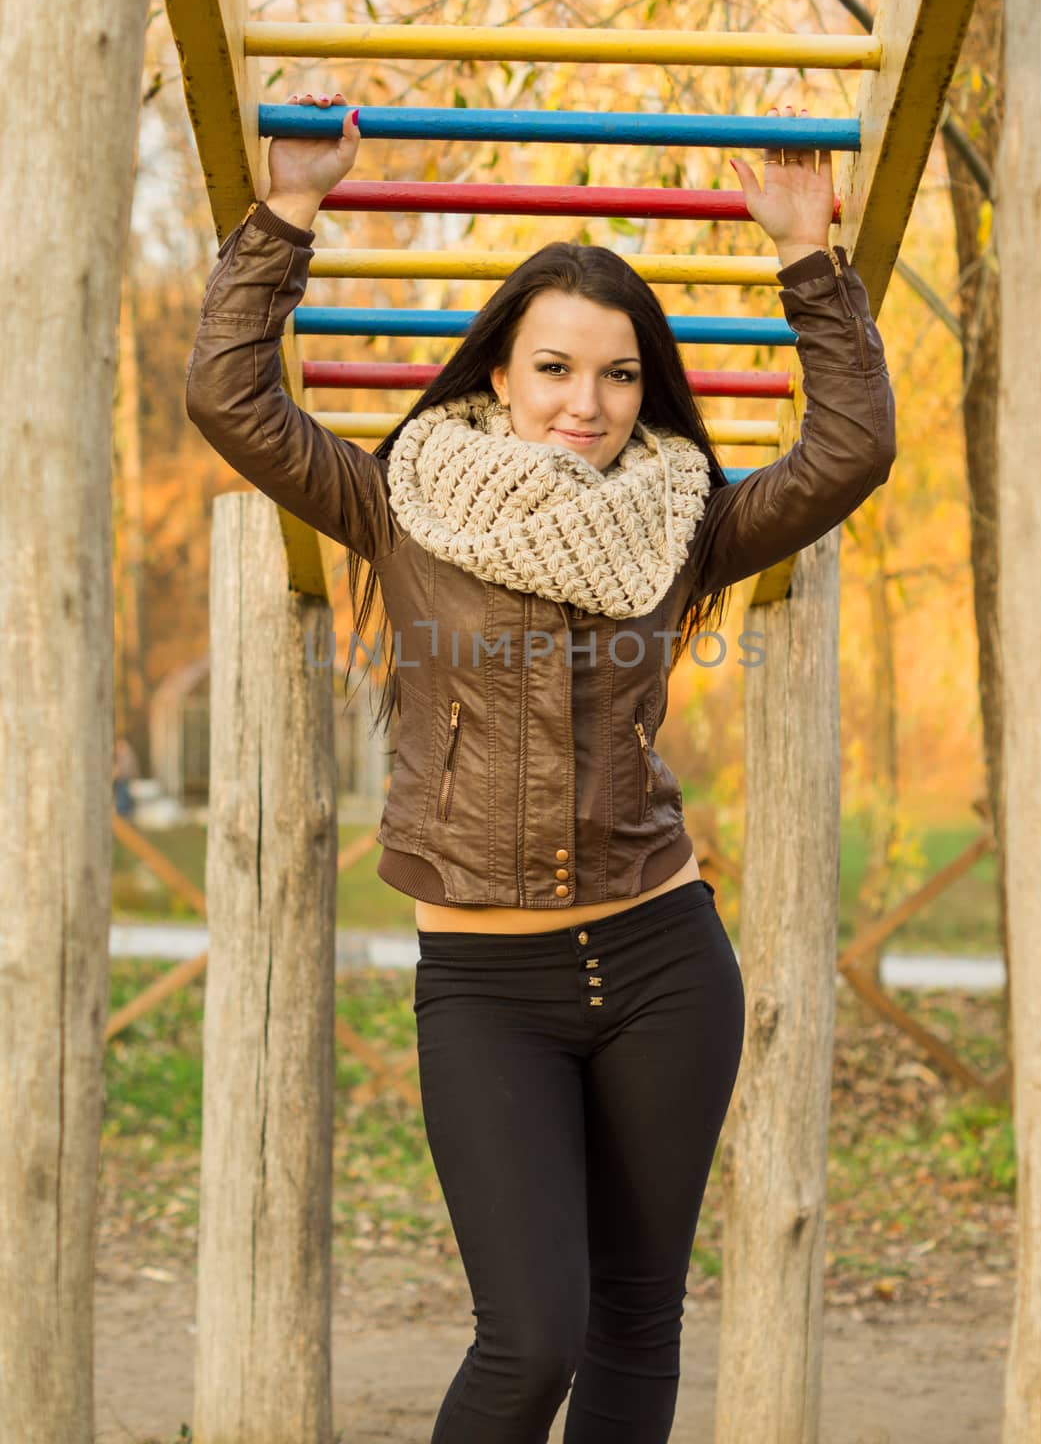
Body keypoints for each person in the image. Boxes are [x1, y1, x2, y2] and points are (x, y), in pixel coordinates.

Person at [185, 90, 895, 1443]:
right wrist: (288, 211)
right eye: (558, 367)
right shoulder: (394, 504)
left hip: (665, 961)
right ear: (499, 374)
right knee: (532, 1338)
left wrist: (808, 255)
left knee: (639, 1322)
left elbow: (853, 449)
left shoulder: (682, 521)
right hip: (488, 985)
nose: (589, 401)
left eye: (620, 373)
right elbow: (227, 395)